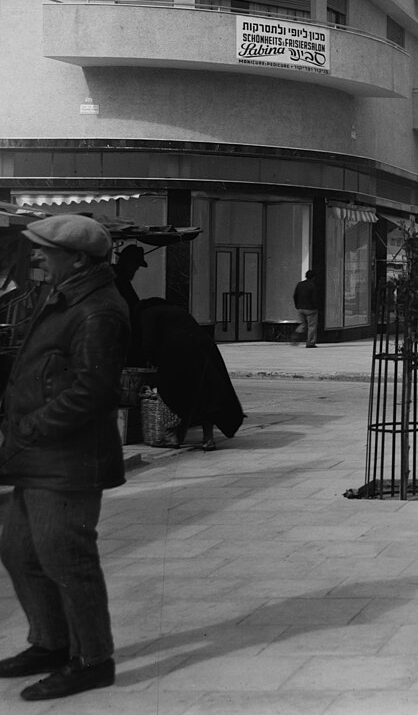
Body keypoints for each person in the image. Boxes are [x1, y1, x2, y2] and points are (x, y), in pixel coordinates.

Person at [0, 214, 125, 701]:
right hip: (37, 457)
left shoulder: (98, 310)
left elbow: (91, 391)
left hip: (67, 460)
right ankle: (51, 642)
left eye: (47, 252)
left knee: (66, 559)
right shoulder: (63, 296)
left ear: (76, 258)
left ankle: (92, 659)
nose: (38, 258)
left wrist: (27, 429)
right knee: (19, 550)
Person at [137, 299, 245, 452]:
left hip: (175, 349)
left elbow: (148, 343)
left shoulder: (147, 314)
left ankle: (172, 437)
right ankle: (208, 438)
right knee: (204, 392)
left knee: (171, 392)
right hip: (203, 347)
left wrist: (153, 361)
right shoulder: (177, 310)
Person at [293, 269, 319, 348]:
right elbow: (315, 298)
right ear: (313, 277)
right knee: (312, 326)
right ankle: (310, 343)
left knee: (303, 324)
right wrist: (316, 306)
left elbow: (295, 295)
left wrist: (297, 305)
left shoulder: (300, 284)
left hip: (300, 308)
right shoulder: (313, 285)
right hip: (310, 309)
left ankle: (296, 334)